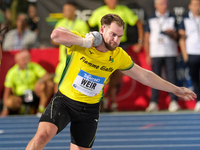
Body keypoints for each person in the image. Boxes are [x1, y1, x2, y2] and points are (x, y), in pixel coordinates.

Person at [25, 14, 196, 150]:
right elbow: (56, 35)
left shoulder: (118, 55)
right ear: (102, 30)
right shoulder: (83, 42)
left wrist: (175, 89)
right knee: (41, 136)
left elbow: (145, 75)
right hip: (65, 101)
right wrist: (86, 42)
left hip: (89, 110)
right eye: (113, 34)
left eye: (119, 36)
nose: (116, 40)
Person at [88, 0, 144, 111]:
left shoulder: (123, 11)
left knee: (117, 74)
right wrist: (91, 41)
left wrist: (140, 41)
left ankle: (106, 98)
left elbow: (138, 22)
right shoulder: (100, 12)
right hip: (103, 46)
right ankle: (104, 101)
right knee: (103, 74)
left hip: (119, 46)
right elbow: (90, 24)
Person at [144, 0, 179, 112]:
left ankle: (173, 101)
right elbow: (146, 37)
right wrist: (148, 54)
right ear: (156, 5)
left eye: (165, 4)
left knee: (172, 77)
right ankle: (154, 102)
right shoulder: (151, 18)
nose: (164, 6)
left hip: (170, 52)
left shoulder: (172, 17)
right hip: (155, 52)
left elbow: (178, 36)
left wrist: (171, 33)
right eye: (161, 4)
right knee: (154, 78)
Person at [0, 50, 54, 117]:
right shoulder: (12, 72)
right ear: (17, 61)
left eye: (27, 59)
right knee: (10, 102)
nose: (25, 61)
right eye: (23, 60)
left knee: (49, 84)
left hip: (34, 93)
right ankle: (24, 108)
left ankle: (41, 109)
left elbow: (48, 76)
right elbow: (7, 92)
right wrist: (5, 108)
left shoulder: (33, 66)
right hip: (21, 96)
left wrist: (40, 81)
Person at [178, 0, 200, 111]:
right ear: (190, 6)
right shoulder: (185, 19)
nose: (198, 7)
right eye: (196, 4)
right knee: (195, 78)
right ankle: (199, 101)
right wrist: (185, 55)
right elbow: (182, 38)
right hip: (192, 53)